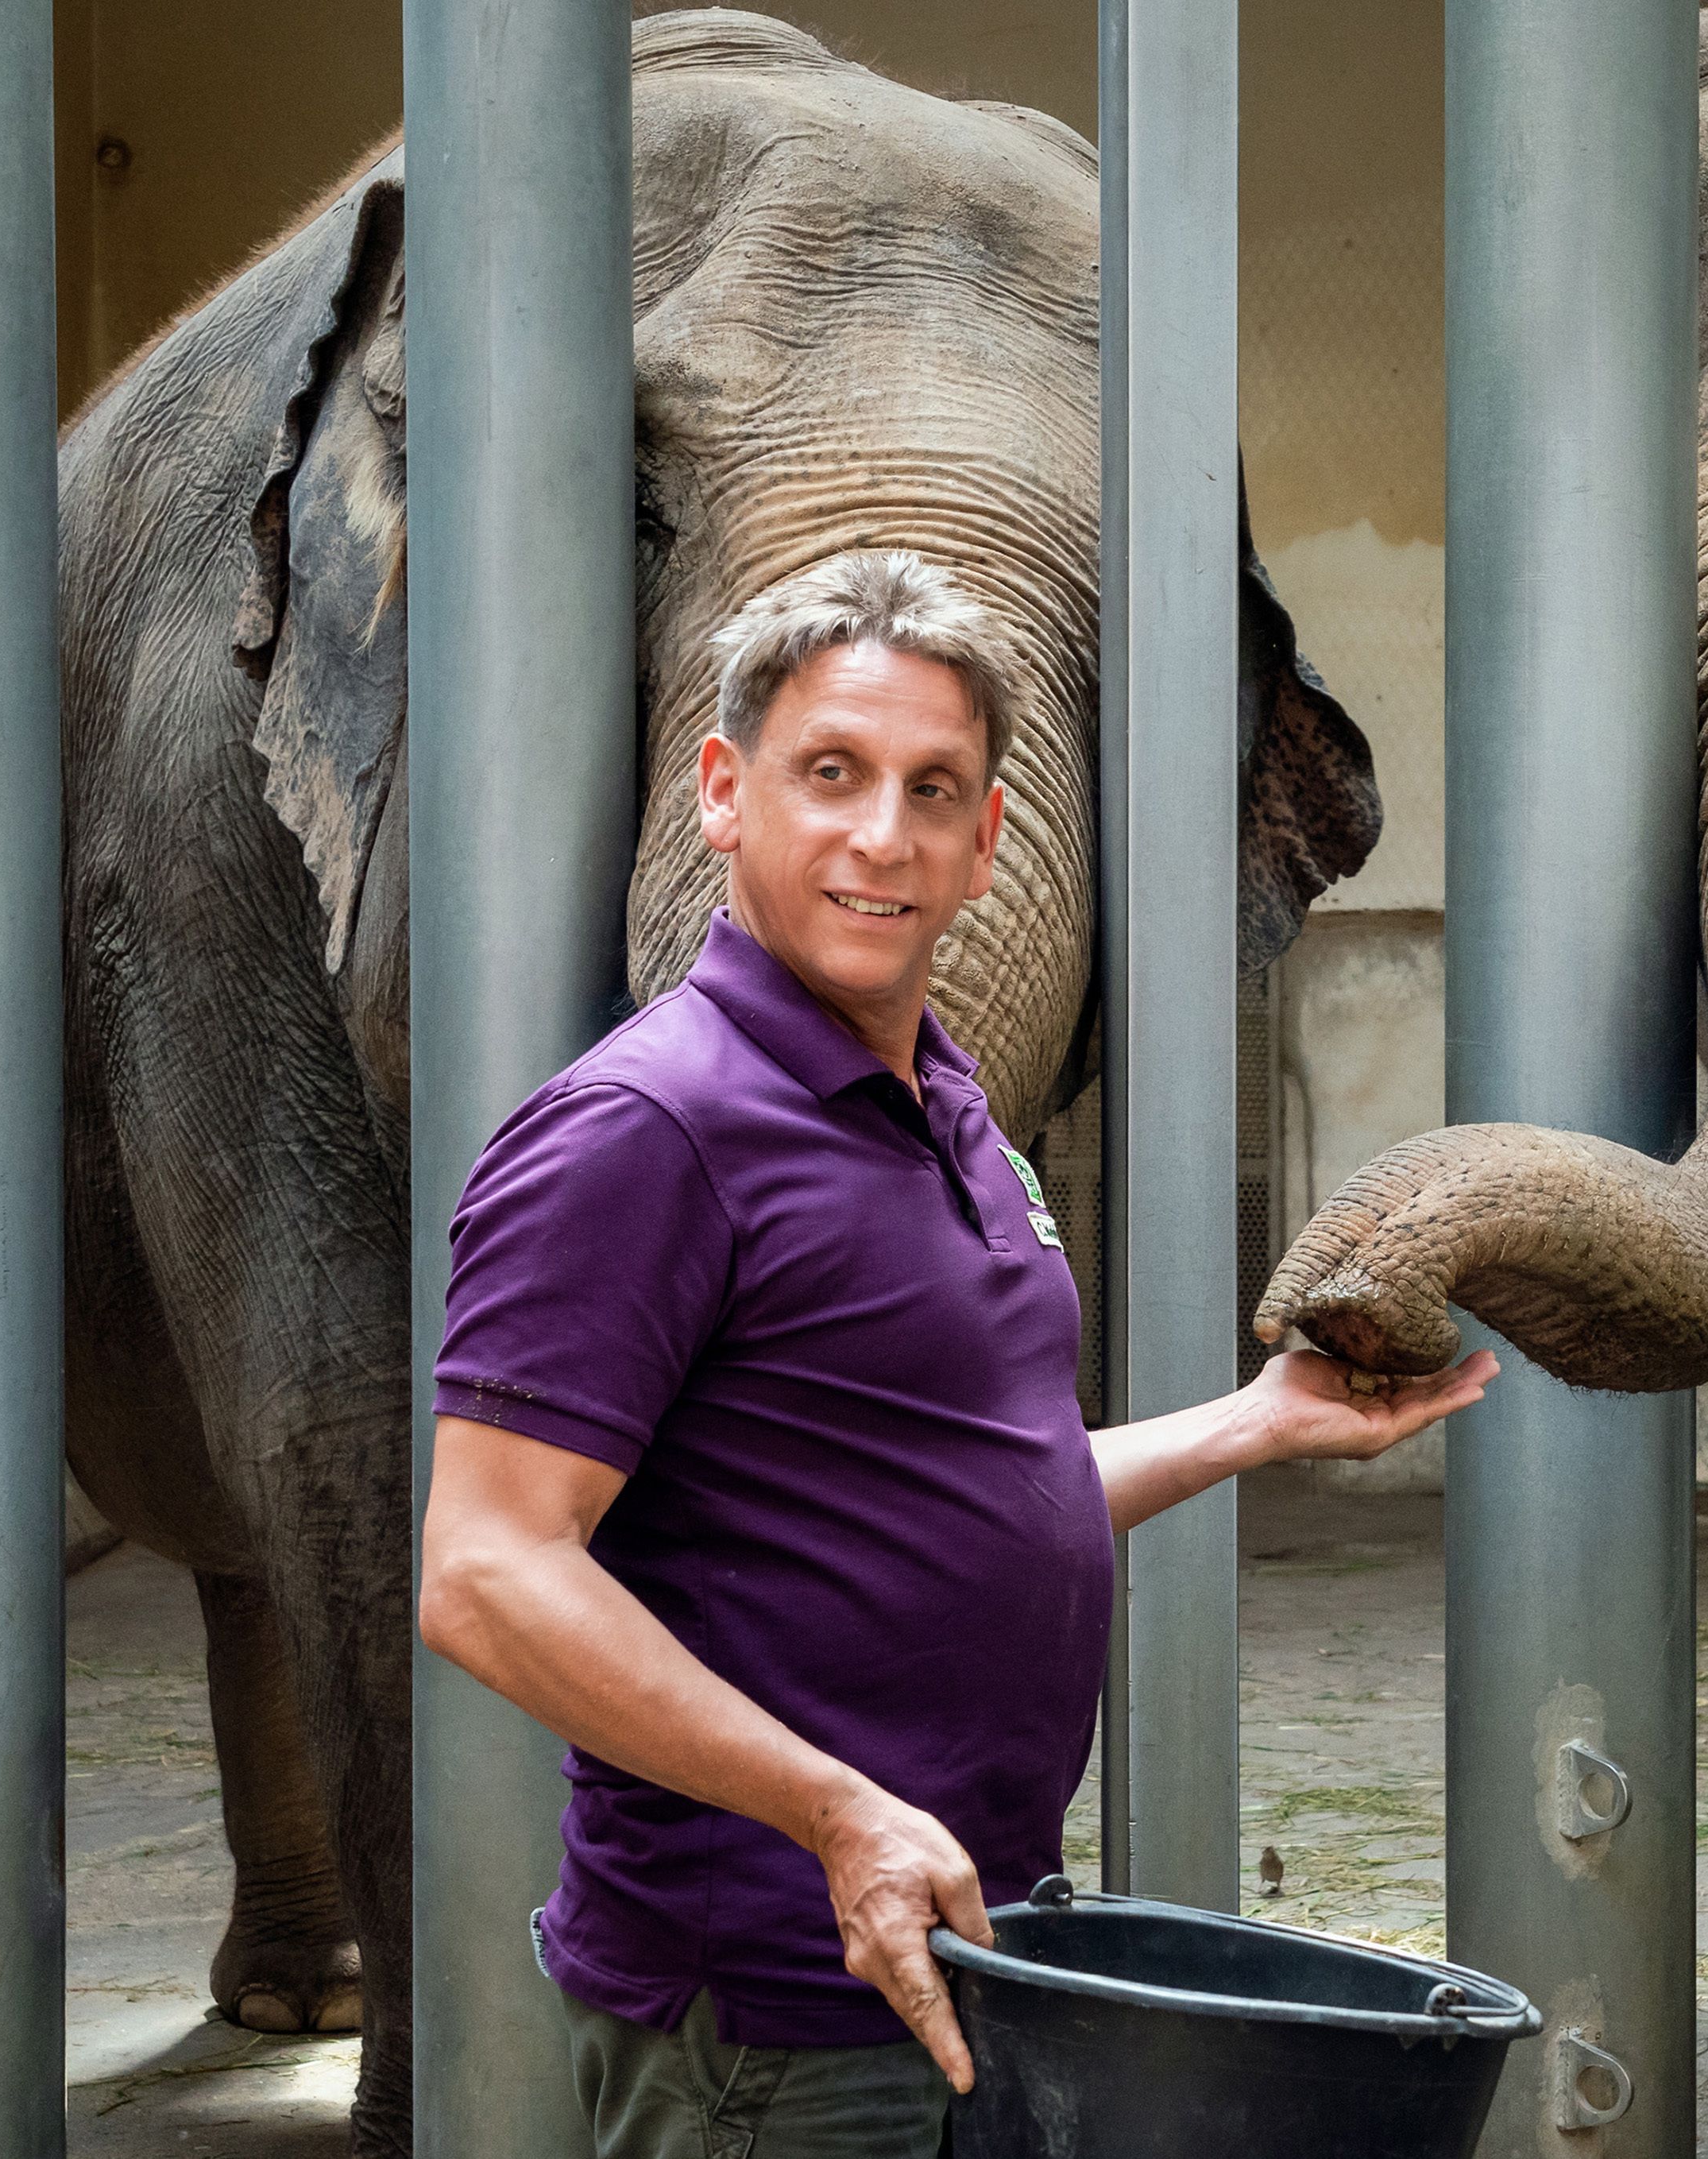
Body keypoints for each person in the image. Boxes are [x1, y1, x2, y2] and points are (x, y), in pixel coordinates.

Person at [415, 550, 1494, 2158]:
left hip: (962, 1960)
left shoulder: (949, 1107)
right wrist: (833, 1812)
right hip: (773, 2011)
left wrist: (1256, 1426)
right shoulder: (648, 1131)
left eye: (936, 791)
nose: (884, 836)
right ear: (723, 794)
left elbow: (959, 1500)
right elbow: (486, 1571)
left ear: (990, 842)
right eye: (831, 774)